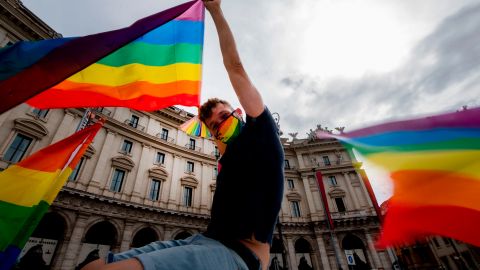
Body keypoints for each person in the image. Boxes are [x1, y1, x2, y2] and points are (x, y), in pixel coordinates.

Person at [81, 0, 284, 269]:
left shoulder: (264, 136)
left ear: (237, 112)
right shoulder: (227, 154)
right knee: (91, 266)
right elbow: (218, 139)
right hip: (203, 240)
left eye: (223, 117)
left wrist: (215, 10)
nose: (220, 125)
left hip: (241, 255)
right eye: (213, 126)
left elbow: (235, 67)